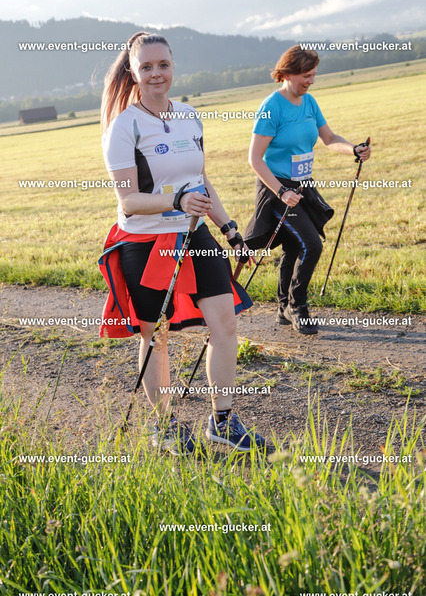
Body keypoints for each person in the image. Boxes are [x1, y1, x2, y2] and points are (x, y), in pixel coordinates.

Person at [99, 31, 265, 453]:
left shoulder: (189, 116)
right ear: (133, 73)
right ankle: (164, 425)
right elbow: (129, 201)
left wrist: (230, 230)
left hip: (194, 233)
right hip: (145, 240)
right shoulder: (124, 127)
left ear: (173, 66)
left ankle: (222, 420)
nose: (156, 73)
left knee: (225, 324)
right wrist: (176, 200)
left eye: (163, 65)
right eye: (147, 67)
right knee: (156, 336)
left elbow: (201, 180)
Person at [243, 45, 371, 334]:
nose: (311, 81)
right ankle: (297, 306)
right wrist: (281, 192)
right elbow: (255, 159)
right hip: (276, 189)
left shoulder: (310, 102)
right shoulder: (271, 107)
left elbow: (329, 138)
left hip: (302, 186)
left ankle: (283, 308)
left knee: (294, 245)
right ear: (287, 73)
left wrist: (354, 149)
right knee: (312, 245)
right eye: (306, 75)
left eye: (314, 75)